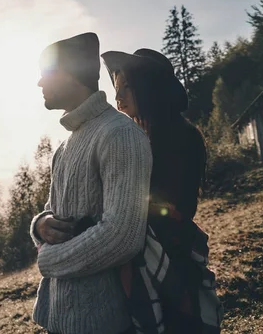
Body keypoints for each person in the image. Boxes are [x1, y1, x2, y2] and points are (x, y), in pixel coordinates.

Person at [30, 32, 152, 334]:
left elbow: (122, 235)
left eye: (46, 73)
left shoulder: (119, 134)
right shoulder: (65, 146)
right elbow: (52, 214)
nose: (39, 83)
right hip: (57, 320)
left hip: (102, 323)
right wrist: (40, 225)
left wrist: (49, 260)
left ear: (72, 75)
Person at [101, 49, 222, 333]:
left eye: (126, 87)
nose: (118, 97)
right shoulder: (133, 136)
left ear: (147, 87)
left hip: (170, 257)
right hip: (140, 254)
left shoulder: (181, 137)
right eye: (116, 88)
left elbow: (173, 206)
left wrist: (142, 155)